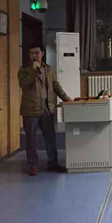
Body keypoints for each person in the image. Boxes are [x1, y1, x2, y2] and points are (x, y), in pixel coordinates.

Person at [19, 44, 72, 176]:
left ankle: (53, 162)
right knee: (31, 139)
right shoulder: (24, 69)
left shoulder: (48, 69)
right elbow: (23, 84)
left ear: (42, 53)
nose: (34, 55)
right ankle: (32, 165)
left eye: (36, 53)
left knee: (50, 137)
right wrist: (33, 71)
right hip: (30, 109)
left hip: (47, 108)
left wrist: (67, 99)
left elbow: (56, 86)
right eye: (31, 53)